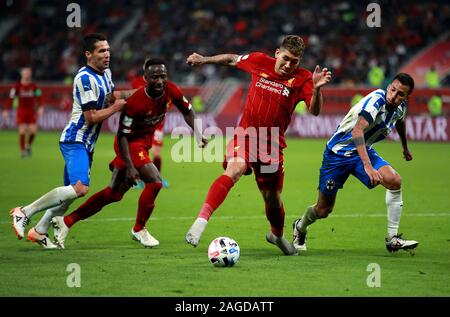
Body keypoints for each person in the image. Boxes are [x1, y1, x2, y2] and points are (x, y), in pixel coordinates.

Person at [185, 35, 332, 255]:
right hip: (246, 134)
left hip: (272, 144)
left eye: (294, 61)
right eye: (286, 58)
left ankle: (278, 235)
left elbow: (315, 111)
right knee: (234, 169)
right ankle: (201, 221)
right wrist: (204, 59)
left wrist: (318, 89)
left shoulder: (302, 78)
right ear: (276, 53)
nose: (288, 65)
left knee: (272, 198)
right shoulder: (258, 61)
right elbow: (232, 59)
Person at [50, 57, 207, 249]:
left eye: (163, 76)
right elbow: (123, 136)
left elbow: (188, 111)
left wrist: (198, 133)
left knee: (113, 194)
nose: (159, 81)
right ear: (145, 78)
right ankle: (139, 229)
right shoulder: (136, 102)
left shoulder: (170, 89)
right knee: (155, 182)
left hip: (143, 144)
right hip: (129, 144)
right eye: (155, 77)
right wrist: (132, 168)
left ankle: (66, 222)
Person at [9, 33, 128, 248]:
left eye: (108, 49)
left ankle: (39, 231)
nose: (107, 54)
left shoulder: (106, 73)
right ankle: (24, 212)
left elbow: (112, 96)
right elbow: (90, 117)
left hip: (87, 144)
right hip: (75, 139)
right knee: (80, 188)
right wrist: (115, 108)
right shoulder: (84, 78)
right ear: (88, 54)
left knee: (69, 195)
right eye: (102, 50)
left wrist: (142, 93)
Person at [292, 73, 419, 253]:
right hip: (337, 155)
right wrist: (367, 166)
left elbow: (400, 121)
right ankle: (300, 227)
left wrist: (405, 147)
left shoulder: (400, 107)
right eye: (392, 90)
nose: (394, 96)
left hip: (363, 150)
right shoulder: (376, 101)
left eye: (400, 94)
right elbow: (357, 130)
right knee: (323, 210)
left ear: (406, 97)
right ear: (388, 86)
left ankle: (392, 238)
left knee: (394, 181)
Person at [130, 63, 170, 189]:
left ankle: (157, 177)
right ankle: (138, 178)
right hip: (142, 125)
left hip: (157, 125)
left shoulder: (162, 83)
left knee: (156, 153)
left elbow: (168, 101)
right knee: (141, 152)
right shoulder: (136, 82)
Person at [2, 67, 43, 158]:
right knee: (22, 131)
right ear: (22, 74)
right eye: (25, 73)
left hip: (31, 111)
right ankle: (22, 151)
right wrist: (7, 109)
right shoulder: (16, 87)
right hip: (21, 111)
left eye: (28, 73)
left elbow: (39, 96)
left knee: (33, 131)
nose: (27, 74)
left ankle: (27, 145)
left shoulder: (33, 86)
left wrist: (41, 107)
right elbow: (10, 98)